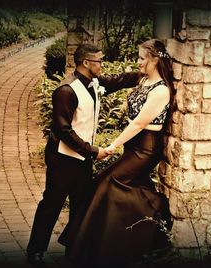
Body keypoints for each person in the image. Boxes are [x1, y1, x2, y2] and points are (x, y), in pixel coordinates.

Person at [58, 39, 175, 267]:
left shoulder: (161, 90)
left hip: (145, 148)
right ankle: (143, 236)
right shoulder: (143, 80)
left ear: (155, 59)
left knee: (108, 182)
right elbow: (127, 97)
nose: (138, 62)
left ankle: (124, 239)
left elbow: (140, 123)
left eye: (142, 58)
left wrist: (113, 146)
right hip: (134, 146)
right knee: (123, 186)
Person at [26, 43, 142, 266]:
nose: (102, 64)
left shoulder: (95, 83)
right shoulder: (66, 91)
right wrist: (93, 151)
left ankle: (74, 249)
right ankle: (36, 251)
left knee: (81, 205)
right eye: (98, 61)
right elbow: (63, 130)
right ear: (86, 63)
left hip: (82, 160)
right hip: (62, 159)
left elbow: (117, 81)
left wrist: (143, 75)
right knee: (51, 204)